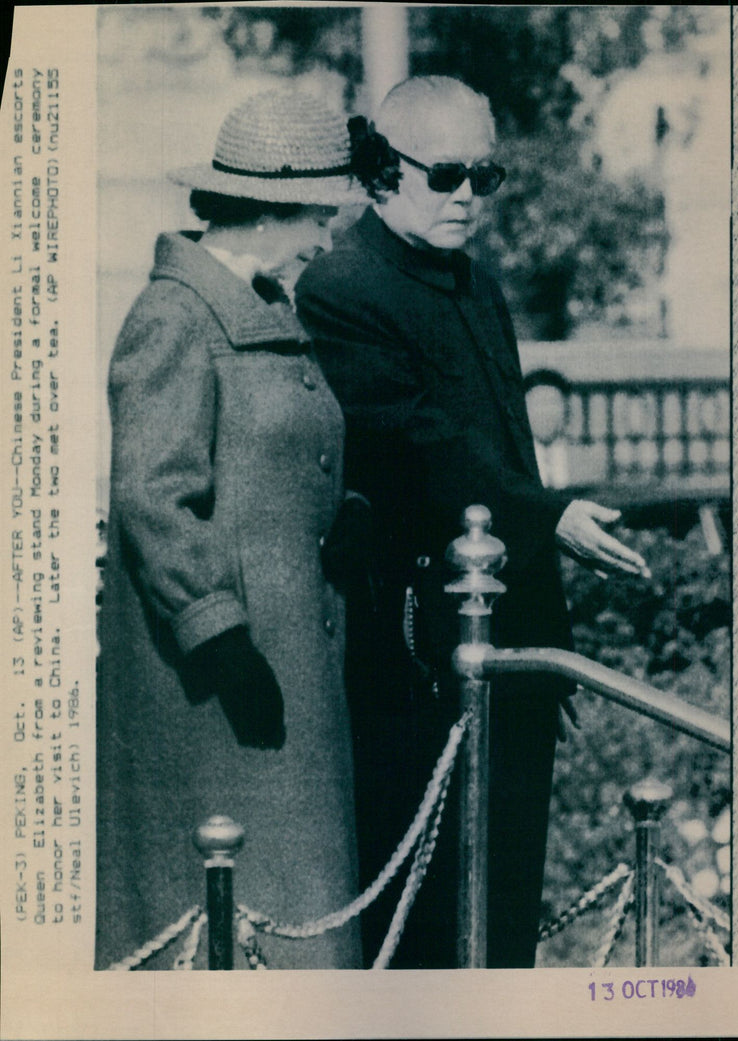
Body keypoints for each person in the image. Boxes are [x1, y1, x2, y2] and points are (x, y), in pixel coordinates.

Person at [295, 75, 649, 969]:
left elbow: (507, 453)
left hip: (507, 648)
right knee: (425, 919)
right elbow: (424, 448)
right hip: (414, 660)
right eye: (446, 175)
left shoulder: (476, 285)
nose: (466, 198)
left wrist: (544, 638)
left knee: (505, 914)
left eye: (482, 179)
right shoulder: (342, 286)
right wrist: (553, 518)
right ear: (383, 169)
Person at [96, 87, 370, 970]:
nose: (327, 236)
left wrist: (346, 517)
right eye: (318, 215)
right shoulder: (176, 316)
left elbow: (285, 461)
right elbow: (151, 493)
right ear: (268, 209)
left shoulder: (265, 309)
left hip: (284, 673)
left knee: (295, 911)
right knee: (240, 913)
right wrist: (219, 631)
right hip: (216, 691)